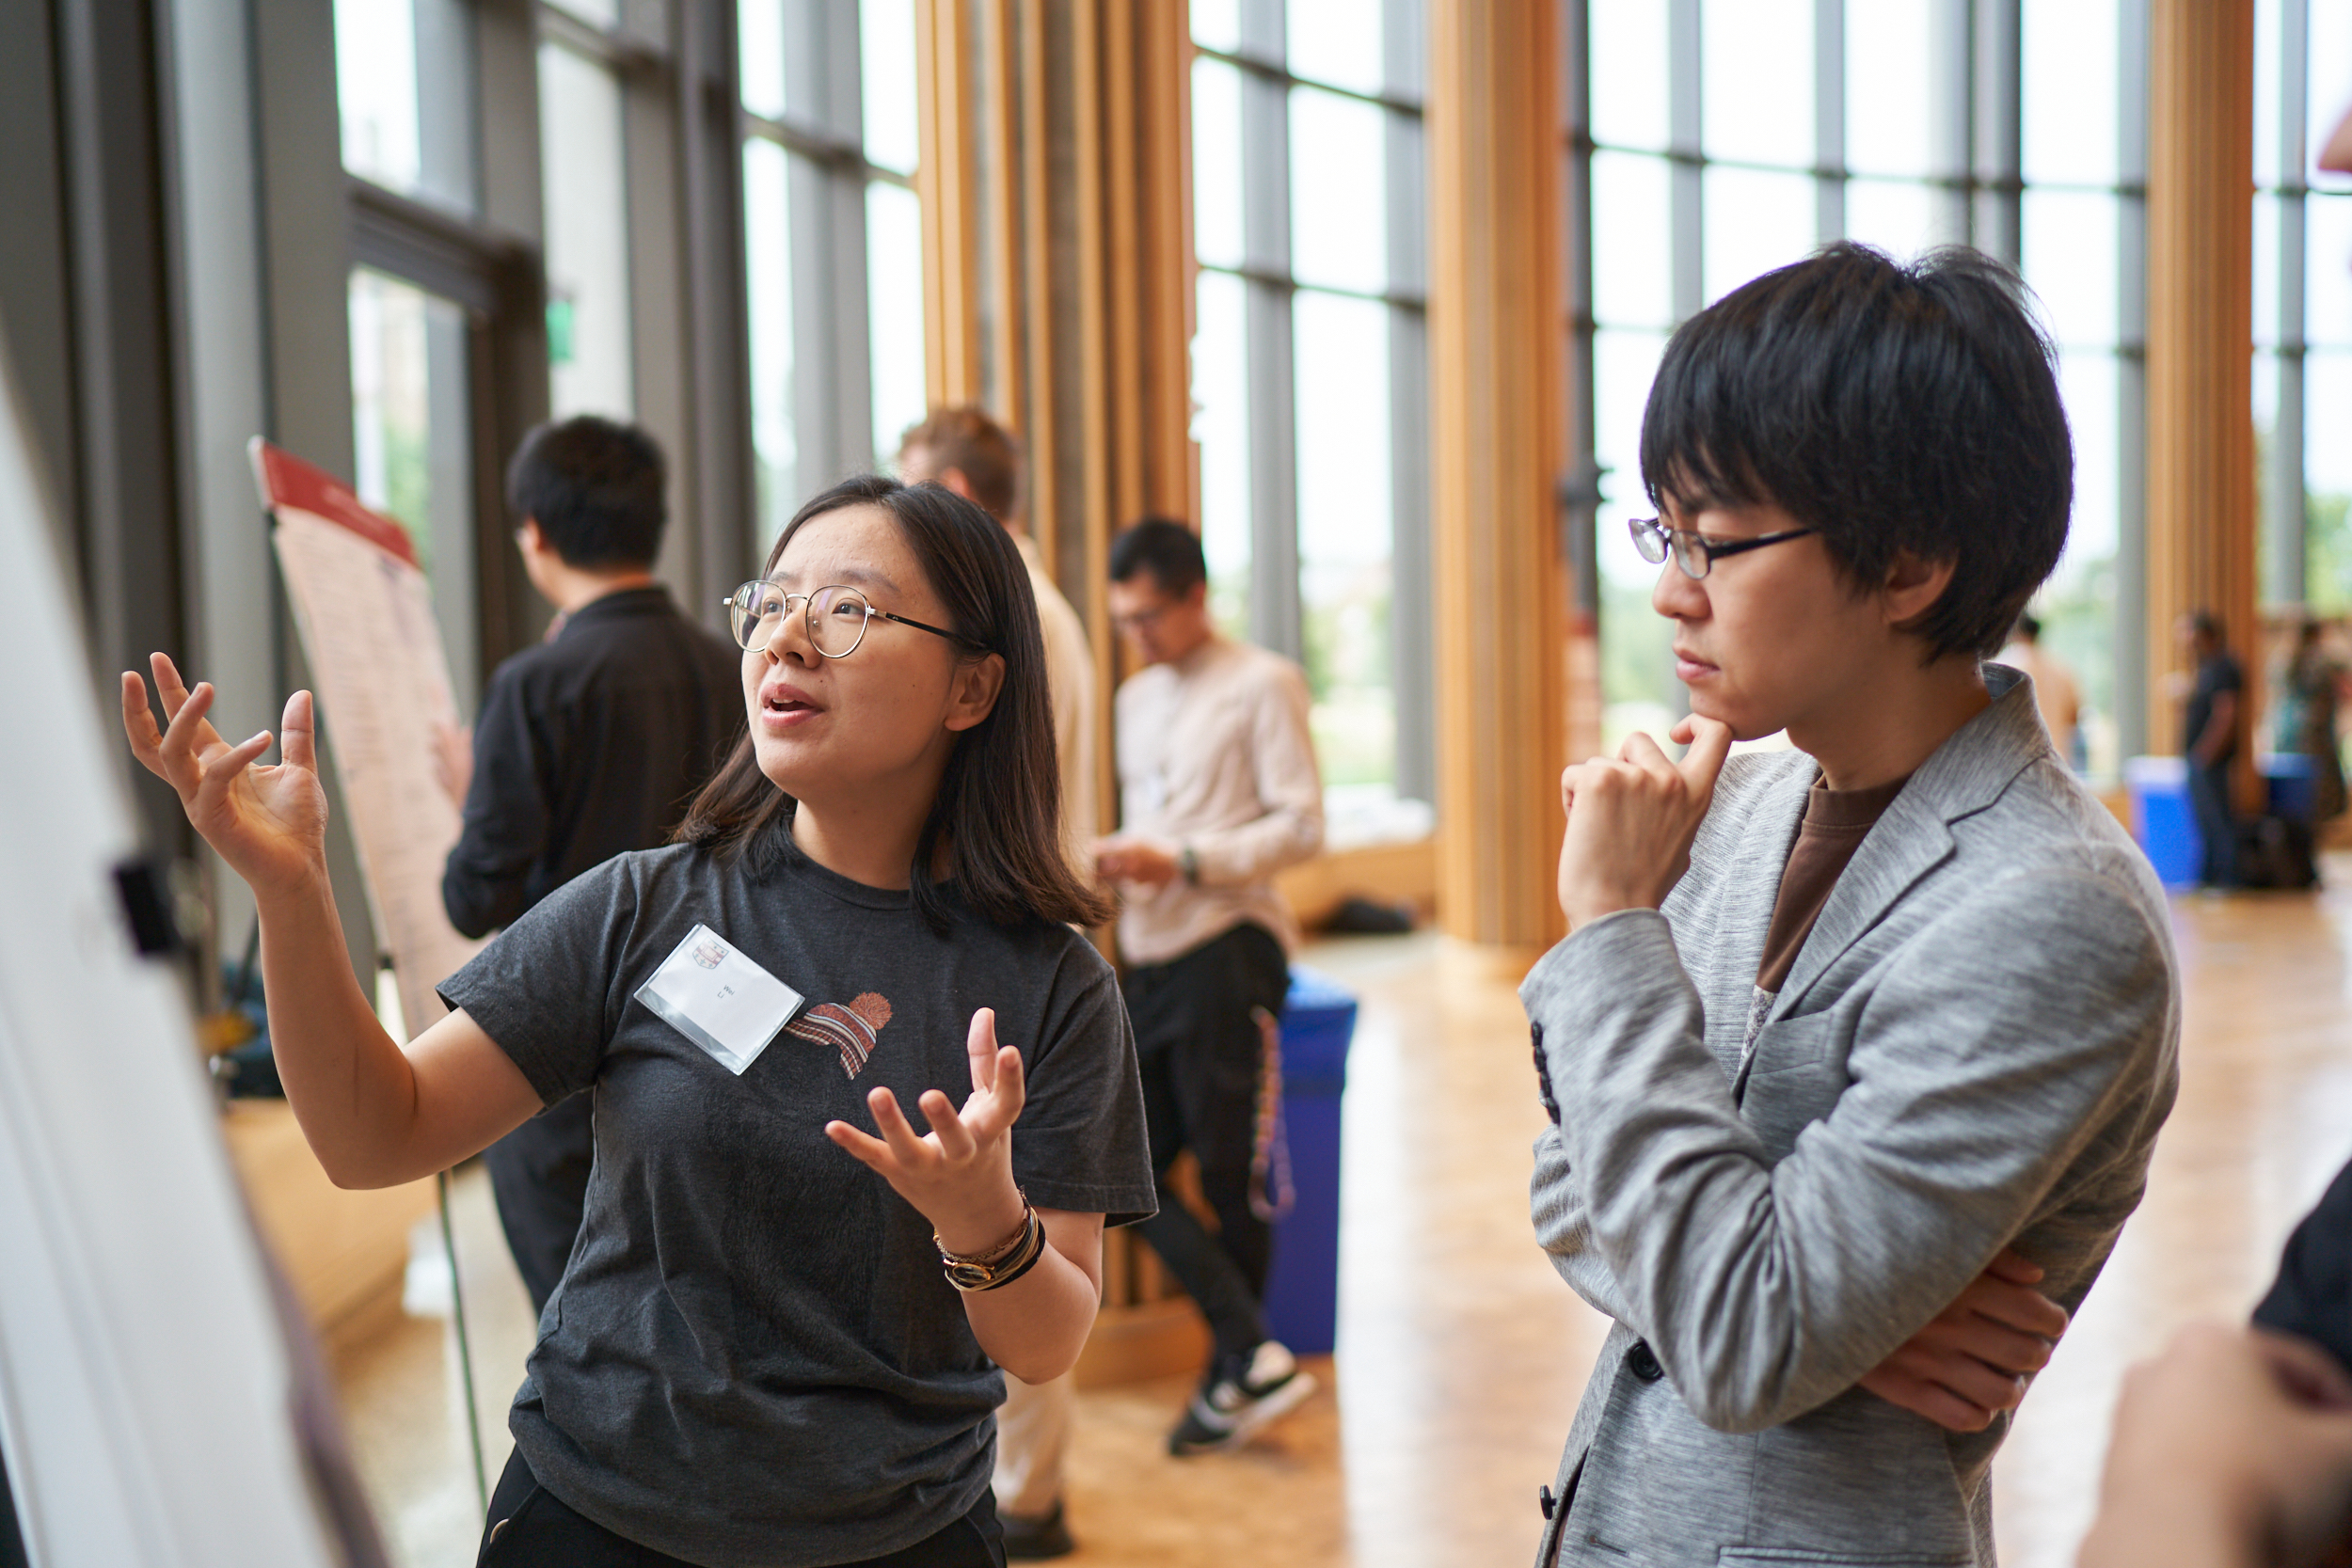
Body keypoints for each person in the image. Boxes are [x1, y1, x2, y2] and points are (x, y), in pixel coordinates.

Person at [121, 474, 1156, 1568]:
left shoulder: (1054, 987)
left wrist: (981, 1215)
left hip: (894, 1538)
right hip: (593, 1518)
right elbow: (377, 1132)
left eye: (848, 609)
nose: (787, 638)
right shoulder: (645, 905)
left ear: (972, 685)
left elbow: (1046, 1344)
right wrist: (293, 894)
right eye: (770, 602)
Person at [1522, 243, 2180, 1567]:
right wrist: (1806, 1303)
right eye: (1664, 530)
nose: (1668, 585)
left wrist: (1607, 926)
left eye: (1715, 538)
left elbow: (1739, 1332)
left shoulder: (2054, 909)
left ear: (1910, 563)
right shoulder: (1737, 807)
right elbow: (1564, 1183)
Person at [436, 415, 743, 1314]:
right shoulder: (734, 669)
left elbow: (475, 894)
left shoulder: (535, 685)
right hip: (712, 1054)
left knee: (582, 1330)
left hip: (563, 1073)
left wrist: (469, 795)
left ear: (535, 530)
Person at [896, 406, 1096, 1560]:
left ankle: (1021, 1496)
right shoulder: (1033, 601)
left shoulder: (1001, 612)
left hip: (993, 948)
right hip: (1003, 937)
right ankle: (1023, 1487)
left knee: (1014, 1240)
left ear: (962, 487)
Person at [1097, 516, 1326, 1456]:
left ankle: (1229, 1372)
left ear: (1194, 596)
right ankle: (1248, 1351)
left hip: (1228, 944)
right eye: (1125, 620)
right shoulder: (1133, 696)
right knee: (1125, 1176)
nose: (1139, 635)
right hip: (1146, 954)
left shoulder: (1261, 681)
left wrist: (1186, 858)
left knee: (1231, 1176)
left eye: (1151, 615)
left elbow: (1303, 827)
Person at [2183, 608, 2245, 890]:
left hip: (2211, 761)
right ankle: (2208, 877)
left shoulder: (2223, 667)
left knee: (2218, 819)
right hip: (2200, 759)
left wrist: (2206, 753)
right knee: (2205, 820)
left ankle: (2229, 879)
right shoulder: (2206, 667)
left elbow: (2226, 715)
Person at [2275, 619, 2346, 826]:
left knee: (2295, 792)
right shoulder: (2321, 662)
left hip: (2287, 732)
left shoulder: (2283, 659)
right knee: (2320, 790)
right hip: (2315, 733)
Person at [2000, 611, 2083, 768]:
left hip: (2018, 766)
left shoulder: (2006, 665)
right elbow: (2074, 720)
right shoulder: (2061, 669)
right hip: (2057, 765)